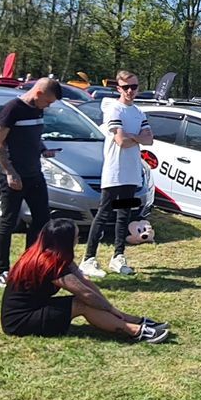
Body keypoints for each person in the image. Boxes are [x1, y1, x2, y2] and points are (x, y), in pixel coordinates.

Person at [0, 219, 169, 343]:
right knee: (82, 304)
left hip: (34, 309)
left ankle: (133, 321)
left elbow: (85, 282)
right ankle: (135, 331)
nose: (78, 239)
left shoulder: (53, 254)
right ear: (64, 241)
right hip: (19, 322)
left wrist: (118, 312)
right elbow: (85, 294)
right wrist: (110, 308)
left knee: (86, 300)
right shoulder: (50, 263)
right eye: (75, 236)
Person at [0, 78, 64, 286]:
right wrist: (10, 172)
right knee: (9, 221)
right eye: (48, 102)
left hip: (34, 174)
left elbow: (33, 136)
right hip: (13, 175)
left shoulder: (37, 110)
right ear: (39, 93)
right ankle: (3, 271)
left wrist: (43, 150)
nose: (48, 106)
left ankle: (29, 263)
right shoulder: (12, 109)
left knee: (42, 220)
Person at [84, 70, 153, 278]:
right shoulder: (114, 110)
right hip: (114, 173)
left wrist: (133, 136)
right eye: (126, 87)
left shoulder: (139, 113)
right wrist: (136, 136)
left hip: (132, 174)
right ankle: (88, 259)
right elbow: (121, 141)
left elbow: (149, 139)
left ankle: (118, 256)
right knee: (104, 214)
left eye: (134, 87)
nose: (131, 91)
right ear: (118, 89)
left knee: (124, 215)